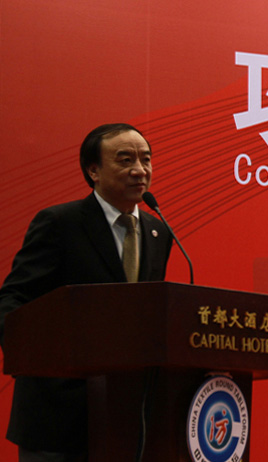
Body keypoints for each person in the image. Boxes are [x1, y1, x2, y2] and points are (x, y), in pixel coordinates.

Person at [0, 123, 173, 462]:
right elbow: (13, 299)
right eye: (125, 160)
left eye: (146, 159)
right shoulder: (60, 224)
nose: (140, 170)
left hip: (126, 416)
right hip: (57, 415)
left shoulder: (158, 231)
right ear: (93, 171)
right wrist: (30, 355)